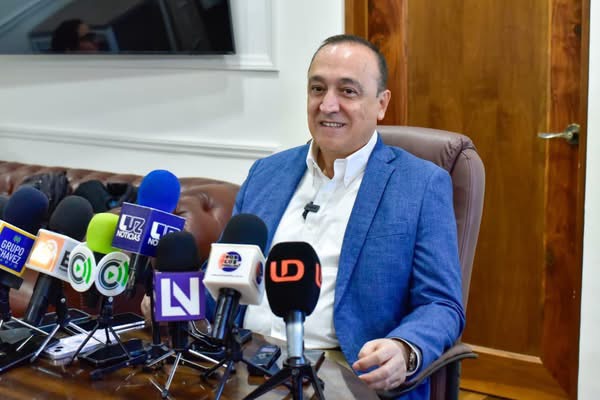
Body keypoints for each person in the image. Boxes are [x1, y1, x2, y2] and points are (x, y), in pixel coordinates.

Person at [142, 34, 464, 399]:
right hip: (240, 362)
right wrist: (175, 301)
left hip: (342, 374)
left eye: (348, 91)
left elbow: (441, 304)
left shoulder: (420, 185)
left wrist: (404, 348)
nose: (328, 105)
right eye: (317, 89)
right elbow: (225, 272)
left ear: (381, 104)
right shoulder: (267, 173)